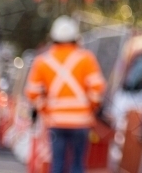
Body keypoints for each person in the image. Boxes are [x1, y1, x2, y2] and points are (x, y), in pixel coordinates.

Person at [25, 16, 106, 173]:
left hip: (56, 122)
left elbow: (32, 92)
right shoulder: (86, 59)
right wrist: (90, 108)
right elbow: (97, 89)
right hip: (81, 122)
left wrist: (45, 109)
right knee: (77, 164)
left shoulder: (43, 62)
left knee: (58, 164)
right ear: (75, 38)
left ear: (53, 38)